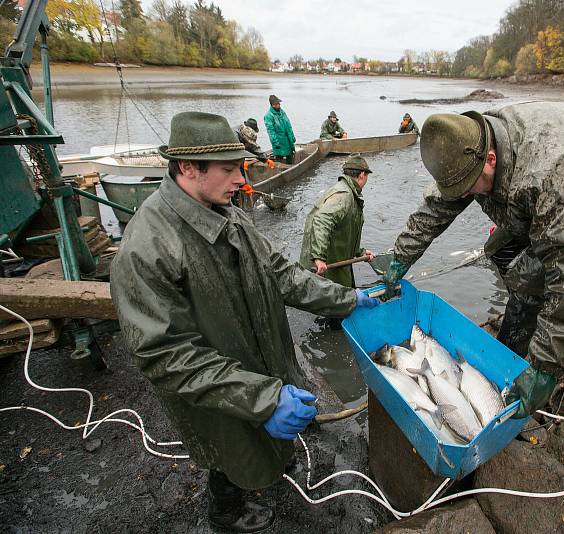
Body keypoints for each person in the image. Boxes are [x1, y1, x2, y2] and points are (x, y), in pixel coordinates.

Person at [110, 111, 379, 532]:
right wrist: (264, 400)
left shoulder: (229, 214)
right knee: (229, 450)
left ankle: (270, 451)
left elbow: (284, 276)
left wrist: (346, 299)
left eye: (242, 165)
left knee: (263, 441)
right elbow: (165, 355)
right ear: (187, 167)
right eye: (230, 168)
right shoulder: (146, 249)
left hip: (263, 363)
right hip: (221, 393)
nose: (243, 176)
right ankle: (226, 511)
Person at [381, 103, 564, 420]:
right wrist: (400, 257)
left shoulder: (558, 176)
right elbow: (437, 206)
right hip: (541, 177)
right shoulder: (466, 146)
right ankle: (531, 319)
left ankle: (545, 348)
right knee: (501, 250)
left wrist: (547, 367)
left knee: (541, 271)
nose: (464, 196)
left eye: (468, 189)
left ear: (491, 159)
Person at [299, 155, 375, 289]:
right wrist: (319, 258)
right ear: (362, 174)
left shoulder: (349, 193)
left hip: (336, 260)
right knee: (335, 301)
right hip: (324, 266)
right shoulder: (344, 195)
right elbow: (322, 220)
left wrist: (360, 252)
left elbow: (344, 230)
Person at [264, 94, 296, 164]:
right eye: (277, 104)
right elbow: (271, 131)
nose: (279, 105)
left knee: (290, 157)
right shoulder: (268, 116)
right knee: (279, 159)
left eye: (279, 103)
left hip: (287, 140)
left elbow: (288, 125)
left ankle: (290, 169)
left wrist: (292, 136)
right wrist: (276, 143)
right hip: (278, 142)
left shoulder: (282, 112)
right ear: (273, 105)